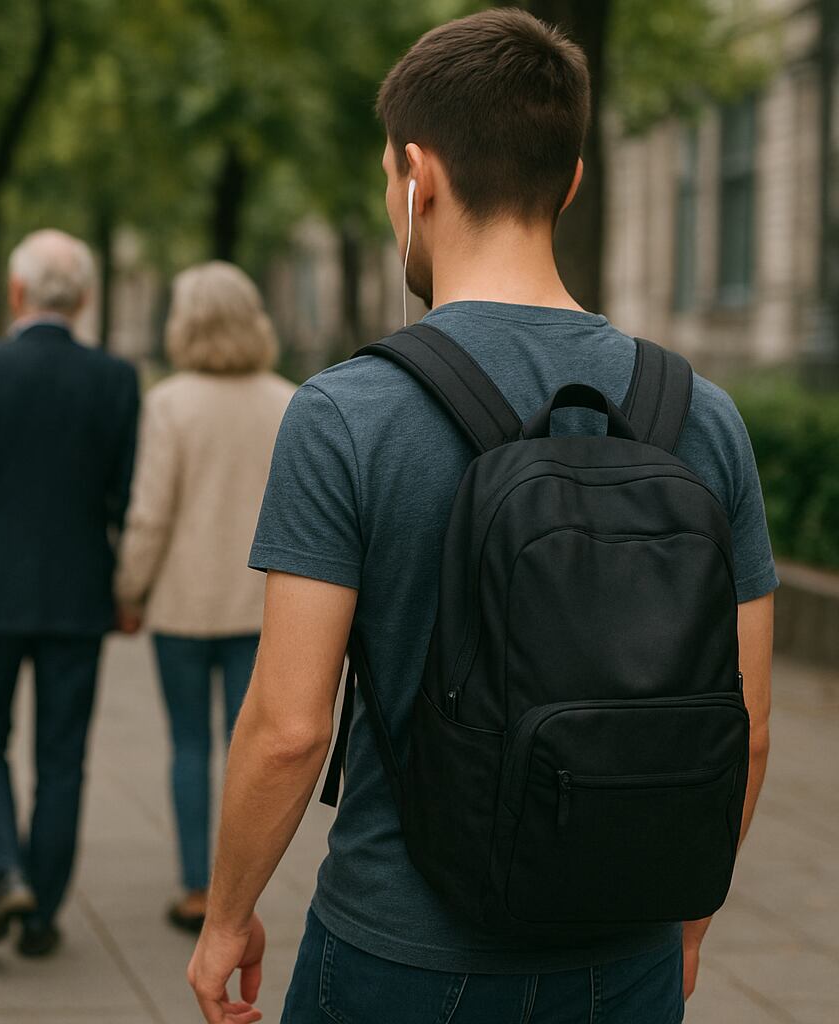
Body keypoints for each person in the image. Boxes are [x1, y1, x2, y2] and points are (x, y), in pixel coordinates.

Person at [187, 11, 777, 1024]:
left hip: (404, 953)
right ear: (574, 179)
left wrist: (227, 913)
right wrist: (686, 920)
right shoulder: (701, 414)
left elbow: (288, 728)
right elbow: (750, 725)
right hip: (625, 949)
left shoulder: (347, 412)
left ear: (418, 177)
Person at [0, 228, 139, 958]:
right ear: (86, 299)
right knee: (63, 756)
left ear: (16, 293)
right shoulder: (115, 379)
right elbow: (127, 499)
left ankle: (5, 870)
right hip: (79, 594)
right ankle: (41, 916)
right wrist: (128, 588)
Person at [113, 261, 294, 933]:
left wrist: (129, 589)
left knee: (189, 744)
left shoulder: (169, 402)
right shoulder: (289, 399)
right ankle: (239, 893)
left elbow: (150, 514)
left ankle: (196, 889)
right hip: (263, 604)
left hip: (183, 605)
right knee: (251, 746)